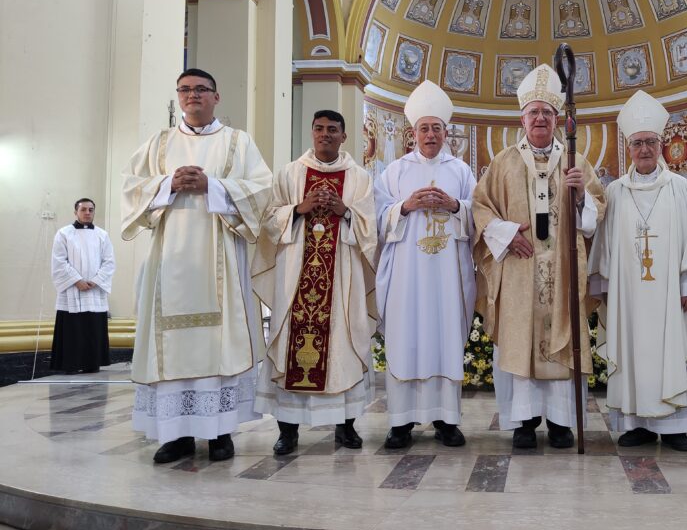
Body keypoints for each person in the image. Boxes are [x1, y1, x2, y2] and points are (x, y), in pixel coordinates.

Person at [122, 68, 272, 463]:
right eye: (185, 90)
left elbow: (262, 189)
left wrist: (215, 187)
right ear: (178, 97)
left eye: (201, 89)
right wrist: (166, 184)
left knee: (219, 344)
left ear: (216, 97)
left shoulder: (238, 143)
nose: (193, 96)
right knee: (170, 346)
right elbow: (130, 186)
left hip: (220, 256)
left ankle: (220, 431)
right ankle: (176, 435)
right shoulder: (160, 143)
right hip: (170, 261)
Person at [472, 63, 605, 449]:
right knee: (519, 342)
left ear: (559, 119)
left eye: (548, 113)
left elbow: (596, 213)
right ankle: (525, 422)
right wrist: (507, 234)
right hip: (518, 269)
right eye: (534, 113)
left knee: (561, 338)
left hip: (562, 268)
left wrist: (581, 197)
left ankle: (562, 422)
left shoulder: (576, 162)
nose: (541, 119)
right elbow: (481, 208)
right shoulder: (504, 162)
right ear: (522, 118)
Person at [588, 91, 687, 450]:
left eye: (650, 142)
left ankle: (676, 427)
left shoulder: (679, 188)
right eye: (637, 143)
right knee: (632, 354)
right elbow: (605, 245)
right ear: (628, 147)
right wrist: (604, 287)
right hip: (628, 295)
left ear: (661, 145)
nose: (644, 149)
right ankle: (636, 423)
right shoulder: (616, 191)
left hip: (672, 292)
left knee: (674, 347)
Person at [252, 110, 377, 455]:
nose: (325, 135)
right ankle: (287, 431)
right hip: (295, 277)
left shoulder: (359, 178)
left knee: (343, 344)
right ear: (311, 132)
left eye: (332, 130)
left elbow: (371, 227)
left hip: (341, 281)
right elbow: (267, 222)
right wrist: (298, 208)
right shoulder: (290, 174)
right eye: (319, 128)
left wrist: (345, 211)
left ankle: (346, 427)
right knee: (288, 346)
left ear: (344, 136)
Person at [374, 81, 476, 449]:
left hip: (447, 274)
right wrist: (405, 206)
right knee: (407, 339)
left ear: (446, 133)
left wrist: (454, 206)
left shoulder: (461, 171)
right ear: (412, 132)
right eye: (424, 128)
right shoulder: (395, 172)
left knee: (444, 337)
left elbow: (478, 216)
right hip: (407, 276)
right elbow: (376, 218)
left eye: (436, 128)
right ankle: (401, 422)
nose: (430, 134)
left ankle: (445, 420)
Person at [50, 198, 115, 374]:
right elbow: (59, 261)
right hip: (72, 289)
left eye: (91, 210)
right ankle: (70, 364)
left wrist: (95, 280)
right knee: (73, 329)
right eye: (83, 209)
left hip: (94, 291)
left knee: (93, 329)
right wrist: (76, 280)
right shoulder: (64, 233)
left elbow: (109, 262)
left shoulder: (102, 235)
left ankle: (91, 364)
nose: (87, 213)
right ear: (75, 212)